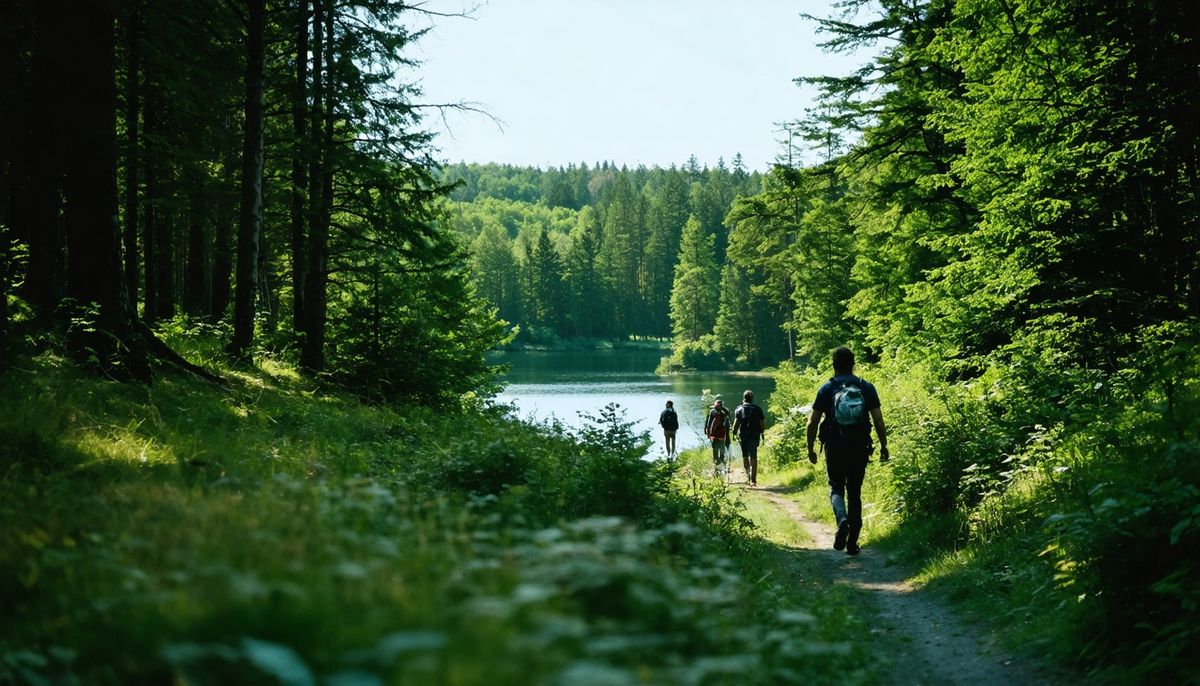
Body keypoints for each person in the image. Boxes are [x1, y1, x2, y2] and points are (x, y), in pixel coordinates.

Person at [806, 346, 889, 556]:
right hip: (859, 446)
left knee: (836, 487)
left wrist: (811, 449)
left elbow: (812, 422)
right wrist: (884, 445)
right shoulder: (866, 387)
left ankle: (841, 519)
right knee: (855, 492)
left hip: (834, 445)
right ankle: (852, 543)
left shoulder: (827, 388)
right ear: (854, 364)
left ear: (833, 365)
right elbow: (878, 419)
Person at [732, 389, 766, 487]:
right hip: (754, 435)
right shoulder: (757, 409)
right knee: (754, 456)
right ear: (752, 398)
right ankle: (753, 480)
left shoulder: (739, 409)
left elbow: (736, 424)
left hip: (743, 435)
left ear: (743, 398)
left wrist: (734, 433)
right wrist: (762, 432)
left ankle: (748, 475)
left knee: (745, 456)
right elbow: (762, 424)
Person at [705, 396, 731, 473]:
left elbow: (709, 424)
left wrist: (708, 433)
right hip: (721, 436)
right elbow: (728, 413)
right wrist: (722, 408)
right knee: (722, 452)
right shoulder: (724, 413)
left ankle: (716, 469)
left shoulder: (712, 412)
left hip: (714, 435)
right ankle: (724, 467)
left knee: (715, 452)